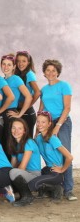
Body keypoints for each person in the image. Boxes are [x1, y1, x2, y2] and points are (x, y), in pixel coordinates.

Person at [39, 59, 76, 201]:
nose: (51, 73)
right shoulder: (44, 90)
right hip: (48, 123)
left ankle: (69, 190)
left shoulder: (64, 86)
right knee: (52, 153)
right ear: (44, 73)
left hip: (63, 122)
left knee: (65, 153)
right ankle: (54, 184)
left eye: (53, 70)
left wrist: (58, 126)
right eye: (48, 70)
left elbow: (67, 108)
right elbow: (41, 109)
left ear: (58, 72)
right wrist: (38, 128)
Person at [28, 111, 73, 202]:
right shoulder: (38, 139)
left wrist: (62, 169)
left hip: (55, 172)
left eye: (43, 122)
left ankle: (57, 188)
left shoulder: (53, 139)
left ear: (49, 124)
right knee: (31, 181)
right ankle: (49, 190)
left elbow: (69, 157)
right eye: (38, 121)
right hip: (46, 170)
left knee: (32, 185)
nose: (40, 124)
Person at [0, 54, 32, 155]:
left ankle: (11, 168)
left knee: (9, 143)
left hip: (10, 113)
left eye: (9, 65)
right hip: (1, 113)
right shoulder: (2, 80)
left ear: (14, 67)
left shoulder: (16, 79)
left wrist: (20, 114)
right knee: (1, 142)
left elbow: (29, 96)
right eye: (4, 64)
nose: (6, 67)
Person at [7, 118, 41, 206]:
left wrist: (11, 173)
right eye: (13, 128)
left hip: (33, 174)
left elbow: (21, 167)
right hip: (22, 173)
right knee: (8, 172)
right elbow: (12, 165)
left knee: (13, 172)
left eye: (19, 128)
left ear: (24, 131)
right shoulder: (14, 144)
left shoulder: (29, 142)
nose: (16, 131)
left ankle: (27, 196)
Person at [14, 51, 41, 137]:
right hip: (18, 110)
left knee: (26, 141)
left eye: (24, 61)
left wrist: (28, 105)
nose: (20, 63)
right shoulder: (17, 74)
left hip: (27, 113)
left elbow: (37, 92)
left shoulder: (29, 74)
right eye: (18, 61)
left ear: (28, 62)